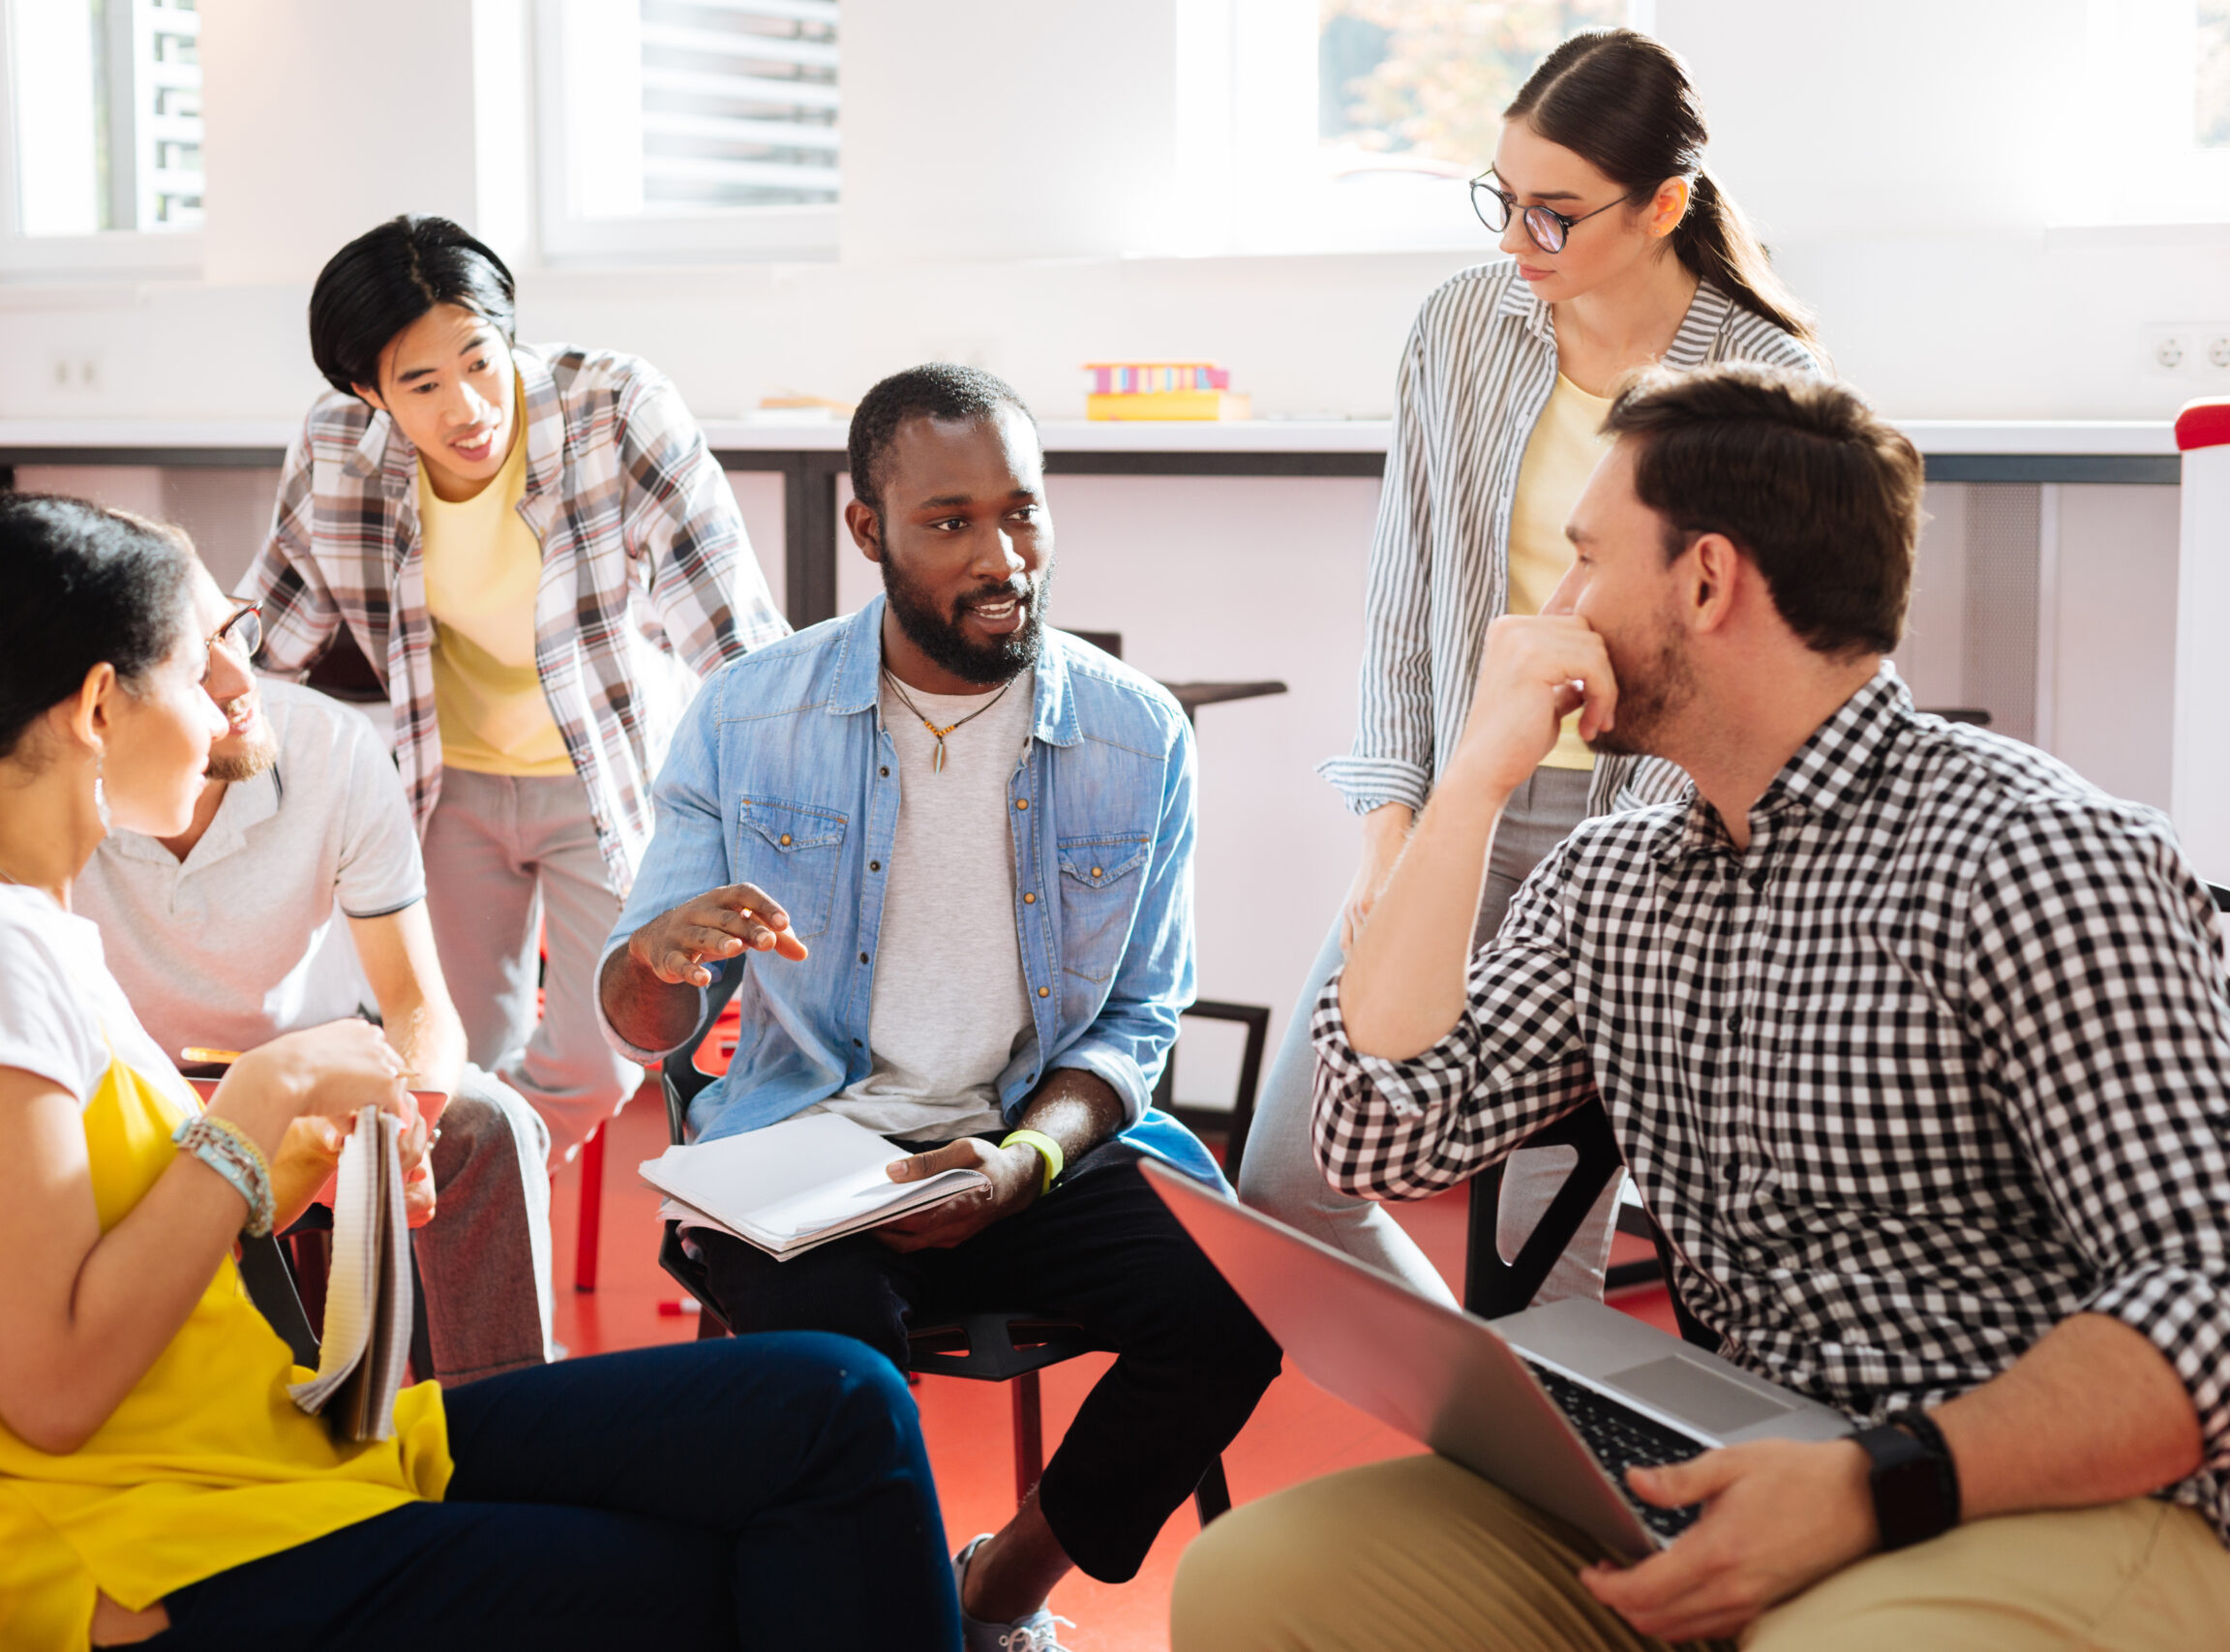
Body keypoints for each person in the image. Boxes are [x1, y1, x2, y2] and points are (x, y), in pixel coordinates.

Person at [0, 492, 958, 1651]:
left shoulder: (9, 933)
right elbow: (53, 1386)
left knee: (838, 1401)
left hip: (256, 1470)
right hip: (154, 1558)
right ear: (96, 708)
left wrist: (284, 1170)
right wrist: (257, 1099)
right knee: (750, 1564)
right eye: (202, 665)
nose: (239, 697)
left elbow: (91, 1239)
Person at [1171, 363, 2230, 1651]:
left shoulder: (2036, 854)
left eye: (1581, 561)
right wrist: (1471, 781)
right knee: (1257, 1581)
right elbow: (1375, 1136)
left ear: (1707, 582)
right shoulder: (1616, 874)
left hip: (2031, 1492)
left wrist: (1871, 1480)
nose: (1546, 612)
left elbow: (2205, 1292)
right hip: (1721, 1460)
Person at [598, 366, 1283, 1652]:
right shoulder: (750, 716)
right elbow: (643, 1021)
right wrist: (660, 961)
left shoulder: (1136, 736)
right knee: (844, 1377)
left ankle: (993, 1593)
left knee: (1237, 1311)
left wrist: (1025, 1158)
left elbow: (1138, 1019)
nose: (1002, 555)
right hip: (810, 1148)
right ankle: (907, 1620)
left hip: (1033, 1151)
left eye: (1023, 514)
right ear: (870, 530)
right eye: (951, 521)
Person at [1242, 27, 1824, 1305]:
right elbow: (1403, 600)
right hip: (1465, 804)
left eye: (1554, 213)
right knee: (1287, 1176)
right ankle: (1476, 1391)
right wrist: (1390, 829)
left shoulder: (1764, 385)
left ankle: (1520, 1456)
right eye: (1501, 200)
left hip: (1639, 842)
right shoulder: (1463, 327)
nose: (1517, 241)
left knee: (1538, 1258)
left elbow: (1753, 679)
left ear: (1665, 204)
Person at [240, 214, 790, 1170]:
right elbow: (268, 633)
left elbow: (731, 632)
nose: (467, 407)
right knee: (454, 1059)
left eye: (480, 361)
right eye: (421, 384)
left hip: (609, 788)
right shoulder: (336, 448)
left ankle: (465, 1189)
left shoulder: (614, 406)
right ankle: (478, 1291)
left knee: (604, 1054)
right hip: (448, 790)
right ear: (366, 391)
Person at [75, 558, 559, 1387]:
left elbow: (417, 1002)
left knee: (489, 1123)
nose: (243, 679)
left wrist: (412, 1117)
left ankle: (504, 1422)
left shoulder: (327, 745)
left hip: (322, 1076)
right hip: (136, 1099)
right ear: (99, 707)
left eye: (236, 631)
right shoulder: (48, 810)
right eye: (197, 663)